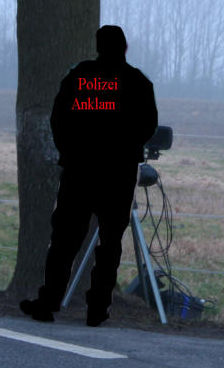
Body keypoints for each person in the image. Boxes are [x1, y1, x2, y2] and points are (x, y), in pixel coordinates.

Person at [20, 25, 158, 327]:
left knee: (64, 241)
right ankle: (98, 309)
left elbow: (59, 118)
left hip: (79, 172)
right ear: (125, 47)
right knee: (109, 244)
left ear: (98, 47)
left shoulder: (79, 77)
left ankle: (49, 302)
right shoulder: (137, 83)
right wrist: (125, 148)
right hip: (118, 176)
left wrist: (70, 152)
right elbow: (148, 126)